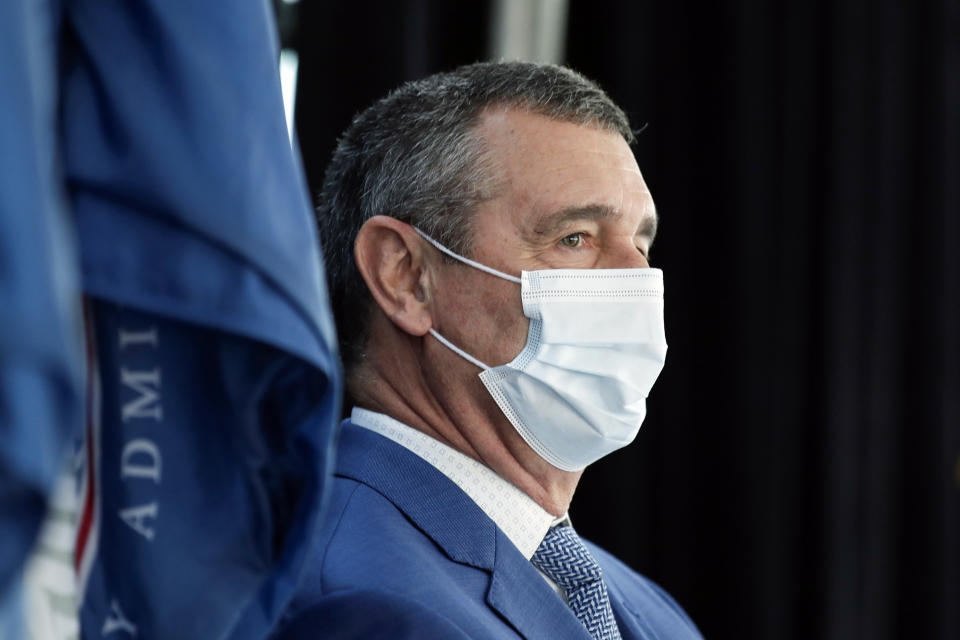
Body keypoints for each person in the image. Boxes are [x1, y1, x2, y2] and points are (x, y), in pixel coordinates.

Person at [275, 61, 702, 639]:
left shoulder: (650, 613)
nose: (638, 282)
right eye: (575, 237)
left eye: (641, 244)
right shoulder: (358, 601)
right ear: (405, 276)